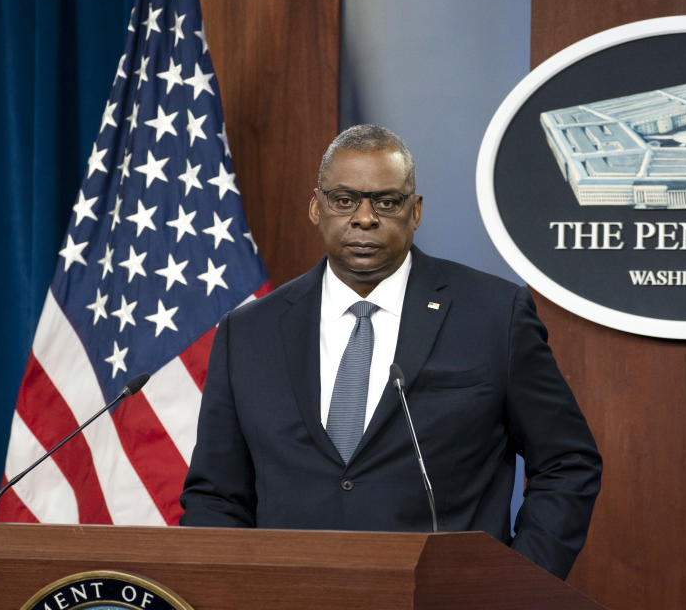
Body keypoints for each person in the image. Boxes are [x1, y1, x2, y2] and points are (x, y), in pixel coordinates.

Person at [180, 124, 601, 579]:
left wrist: (518, 585)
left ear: (415, 212)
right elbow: (216, 495)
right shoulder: (248, 333)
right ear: (315, 207)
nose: (364, 218)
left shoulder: (494, 316)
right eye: (344, 200)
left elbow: (566, 462)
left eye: (386, 202)